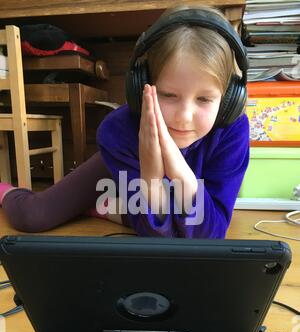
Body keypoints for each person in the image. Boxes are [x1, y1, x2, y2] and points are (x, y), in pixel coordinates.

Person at [0, 4, 250, 238]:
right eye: (168, 95)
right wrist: (152, 177)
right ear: (140, 87)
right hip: (127, 159)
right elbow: (152, 236)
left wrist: (181, 175)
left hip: (156, 197)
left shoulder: (233, 130)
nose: (184, 117)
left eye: (204, 99)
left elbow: (213, 234)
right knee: (33, 216)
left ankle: (108, 205)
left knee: (169, 216)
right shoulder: (118, 130)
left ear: (230, 100)